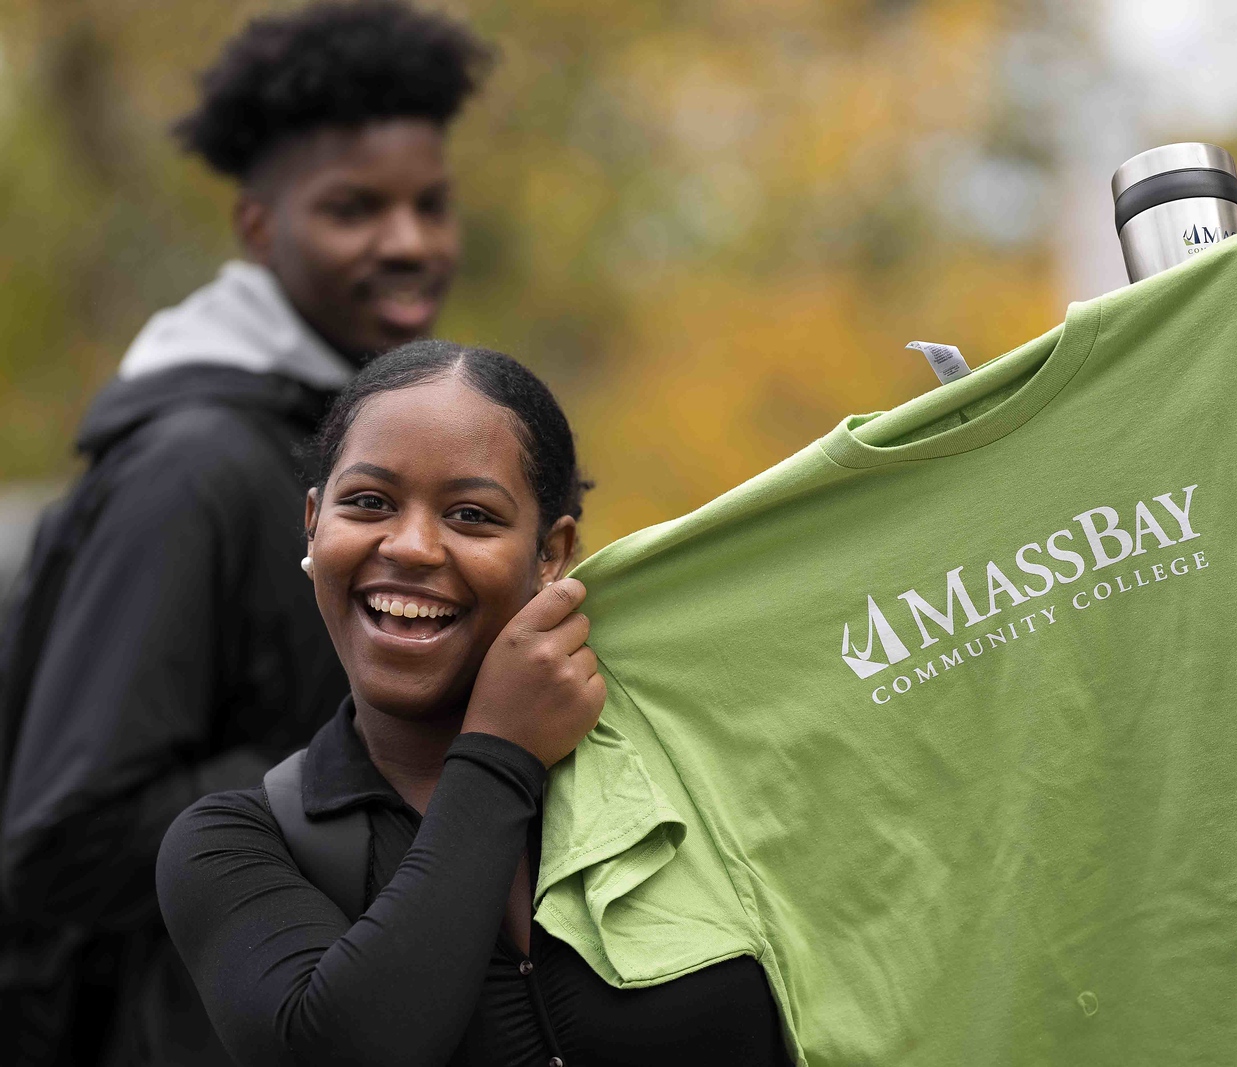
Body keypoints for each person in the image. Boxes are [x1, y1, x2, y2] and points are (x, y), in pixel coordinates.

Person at [0, 3, 489, 1063]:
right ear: (262, 229)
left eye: (431, 204)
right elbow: (62, 840)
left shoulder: (351, 437)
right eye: (356, 208)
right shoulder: (193, 469)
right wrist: (394, 755)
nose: (409, 242)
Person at [156, 342, 789, 1066]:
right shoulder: (230, 844)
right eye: (368, 502)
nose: (414, 546)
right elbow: (347, 1049)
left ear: (551, 553)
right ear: (313, 522)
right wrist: (499, 754)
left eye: (470, 514)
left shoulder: (686, 765)